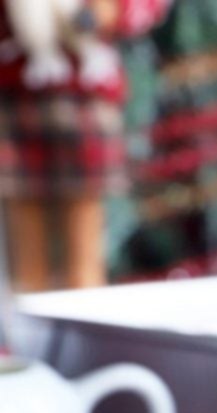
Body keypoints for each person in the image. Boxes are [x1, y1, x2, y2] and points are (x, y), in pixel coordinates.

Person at [0, 0, 170, 291]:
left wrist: (112, 10)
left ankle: (86, 310)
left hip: (87, 94)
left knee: (85, 247)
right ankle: (27, 323)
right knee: (25, 252)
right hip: (15, 93)